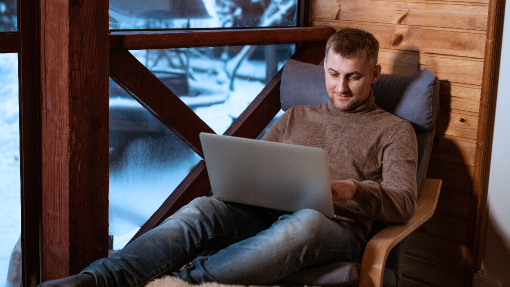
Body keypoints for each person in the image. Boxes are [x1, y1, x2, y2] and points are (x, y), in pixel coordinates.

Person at [39, 28, 418, 287]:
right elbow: (256, 161)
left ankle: (187, 282)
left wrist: (353, 189)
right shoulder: (298, 115)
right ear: (324, 67)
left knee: (305, 223)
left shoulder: (395, 130)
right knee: (203, 209)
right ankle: (97, 280)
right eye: (333, 74)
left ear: (375, 74)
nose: (340, 87)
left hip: (335, 230)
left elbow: (403, 203)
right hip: (265, 213)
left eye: (353, 77)